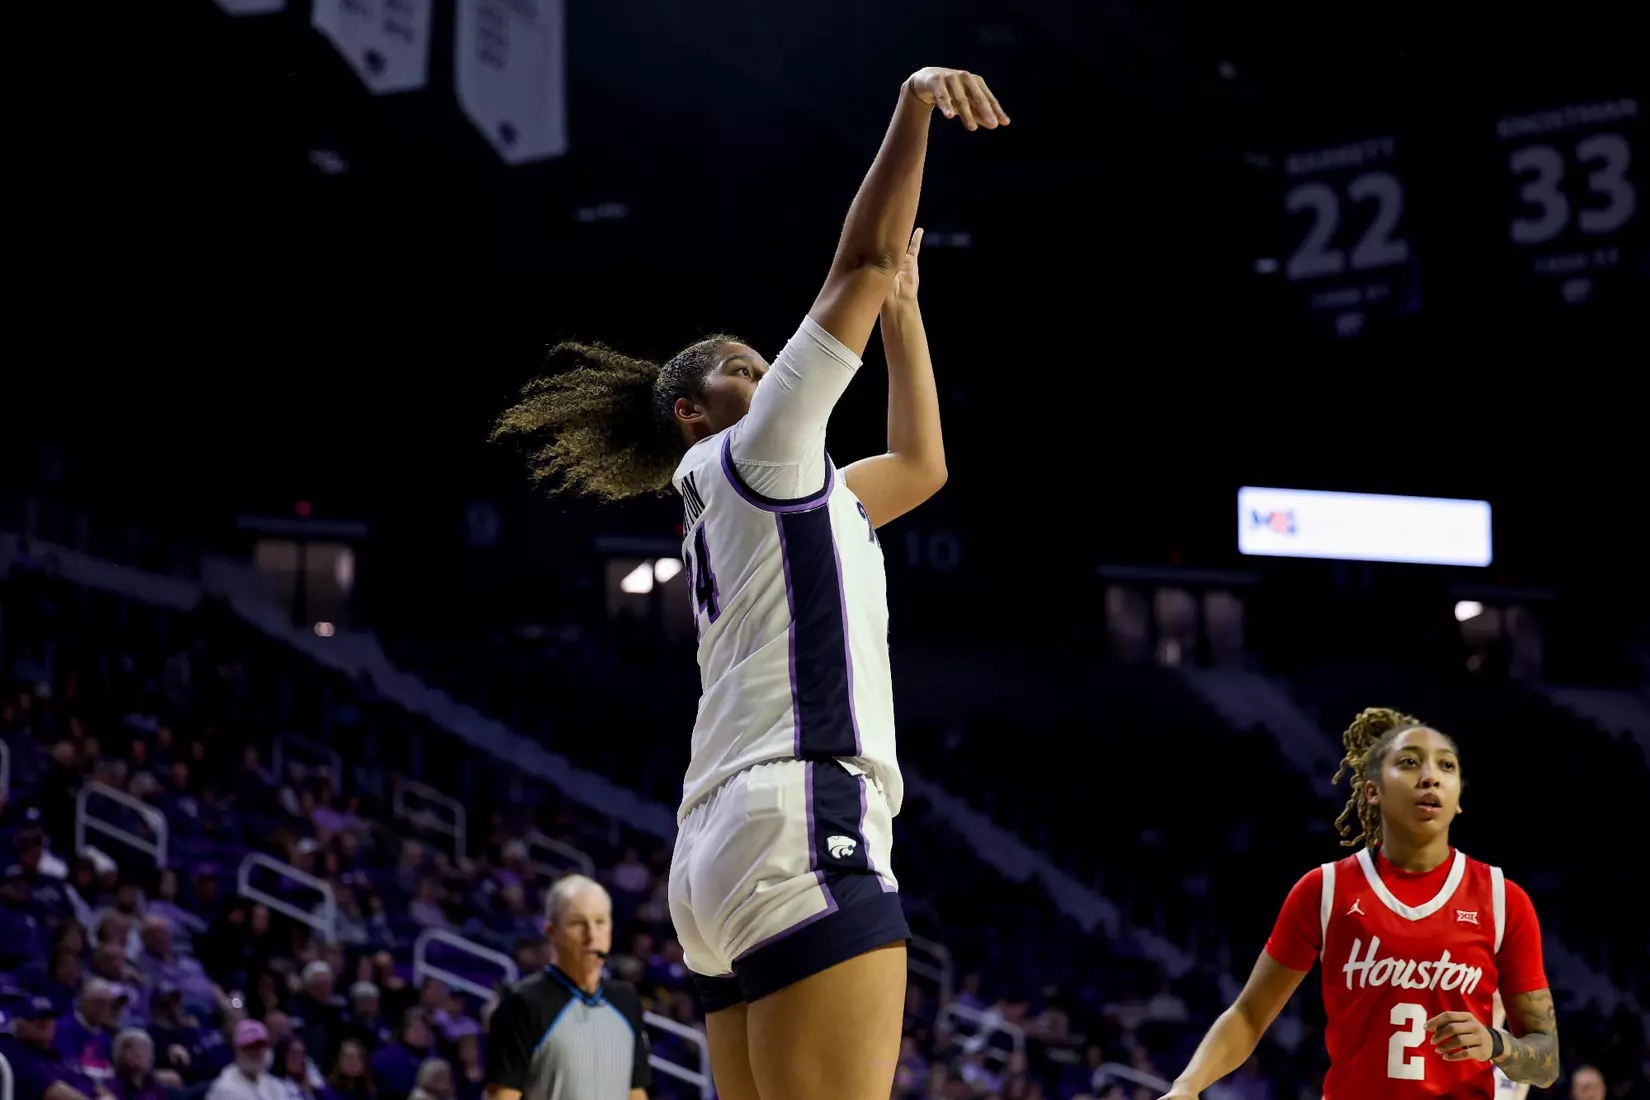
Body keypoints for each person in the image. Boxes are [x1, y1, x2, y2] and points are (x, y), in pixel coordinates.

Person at [493, 64, 1008, 1100]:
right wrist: (911, 103)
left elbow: (921, 468)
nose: (768, 369)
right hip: (796, 811)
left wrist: (903, 313)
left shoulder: (770, 492)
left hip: (719, 848)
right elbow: (862, 258)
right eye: (743, 364)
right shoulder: (759, 451)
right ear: (691, 409)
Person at [1158, 708, 1561, 1099]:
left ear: (1457, 799)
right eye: (1409, 762)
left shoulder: (1503, 899)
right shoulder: (1325, 889)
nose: (1430, 777)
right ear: (1372, 791)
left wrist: (1496, 1044)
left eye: (1446, 766)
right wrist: (1187, 1086)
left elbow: (1546, 1062)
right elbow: (1249, 1015)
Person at [484, 875, 649, 1100]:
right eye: (577, 923)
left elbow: (635, 1091)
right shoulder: (522, 1003)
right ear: (552, 933)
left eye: (600, 922)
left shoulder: (626, 1000)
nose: (592, 936)